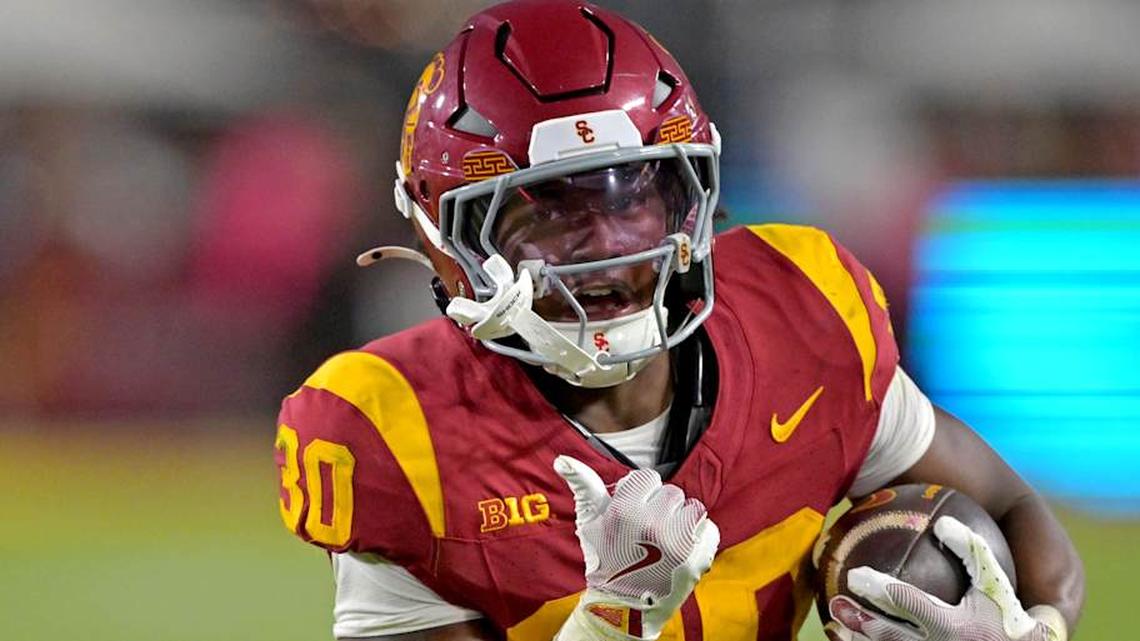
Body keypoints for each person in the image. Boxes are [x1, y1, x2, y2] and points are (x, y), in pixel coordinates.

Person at [274, 2, 1085, 640]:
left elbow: (1017, 515)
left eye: (634, 197)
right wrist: (611, 621)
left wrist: (1027, 630)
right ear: (444, 236)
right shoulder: (395, 430)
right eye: (549, 214)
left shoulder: (803, 316)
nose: (609, 252)